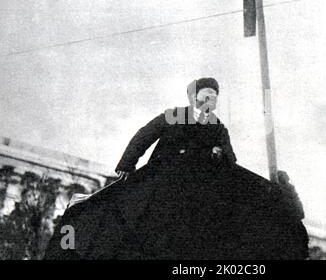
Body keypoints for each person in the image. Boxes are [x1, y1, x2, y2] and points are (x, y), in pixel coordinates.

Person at [44, 77, 309, 260]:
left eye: (215, 96)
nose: (211, 99)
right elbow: (146, 134)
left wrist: (221, 154)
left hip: (201, 184)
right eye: (207, 94)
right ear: (195, 97)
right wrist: (128, 164)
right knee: (130, 210)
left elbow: (231, 159)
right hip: (166, 176)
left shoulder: (217, 126)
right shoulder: (176, 114)